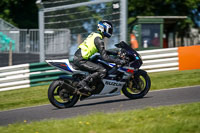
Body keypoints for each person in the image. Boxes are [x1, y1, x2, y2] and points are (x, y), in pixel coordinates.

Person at [73, 20, 126, 92]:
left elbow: (103, 51)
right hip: (81, 60)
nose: (110, 32)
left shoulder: (94, 35)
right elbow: (105, 57)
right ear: (104, 29)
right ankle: (84, 82)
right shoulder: (99, 40)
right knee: (102, 70)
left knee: (97, 61)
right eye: (109, 30)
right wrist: (119, 61)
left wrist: (116, 53)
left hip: (79, 57)